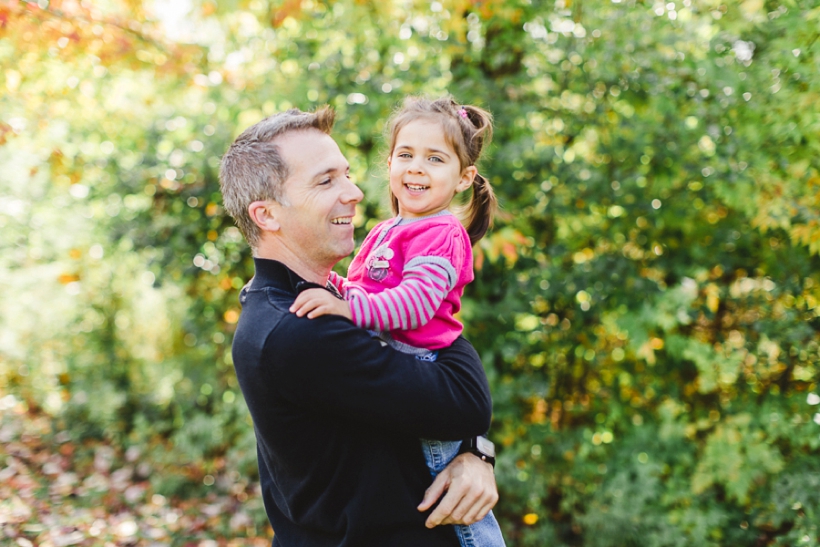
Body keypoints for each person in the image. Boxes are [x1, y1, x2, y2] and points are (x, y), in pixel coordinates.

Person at [219, 105, 499, 547]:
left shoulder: (296, 301)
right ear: (267, 215)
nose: (353, 193)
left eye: (346, 174)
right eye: (326, 181)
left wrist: (474, 455)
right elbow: (466, 402)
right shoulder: (301, 330)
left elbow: (425, 399)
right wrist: (475, 446)